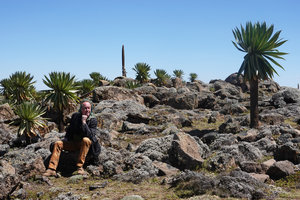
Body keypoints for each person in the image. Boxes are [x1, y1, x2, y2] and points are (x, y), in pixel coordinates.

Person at [43, 100, 101, 176]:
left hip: (85, 146)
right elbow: (70, 130)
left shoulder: (93, 120)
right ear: (81, 109)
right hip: (73, 143)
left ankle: (79, 167)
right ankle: (51, 169)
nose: (87, 110)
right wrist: (65, 140)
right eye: (85, 108)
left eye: (88, 108)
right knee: (58, 143)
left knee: (86, 140)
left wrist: (84, 123)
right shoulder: (75, 116)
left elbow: (90, 135)